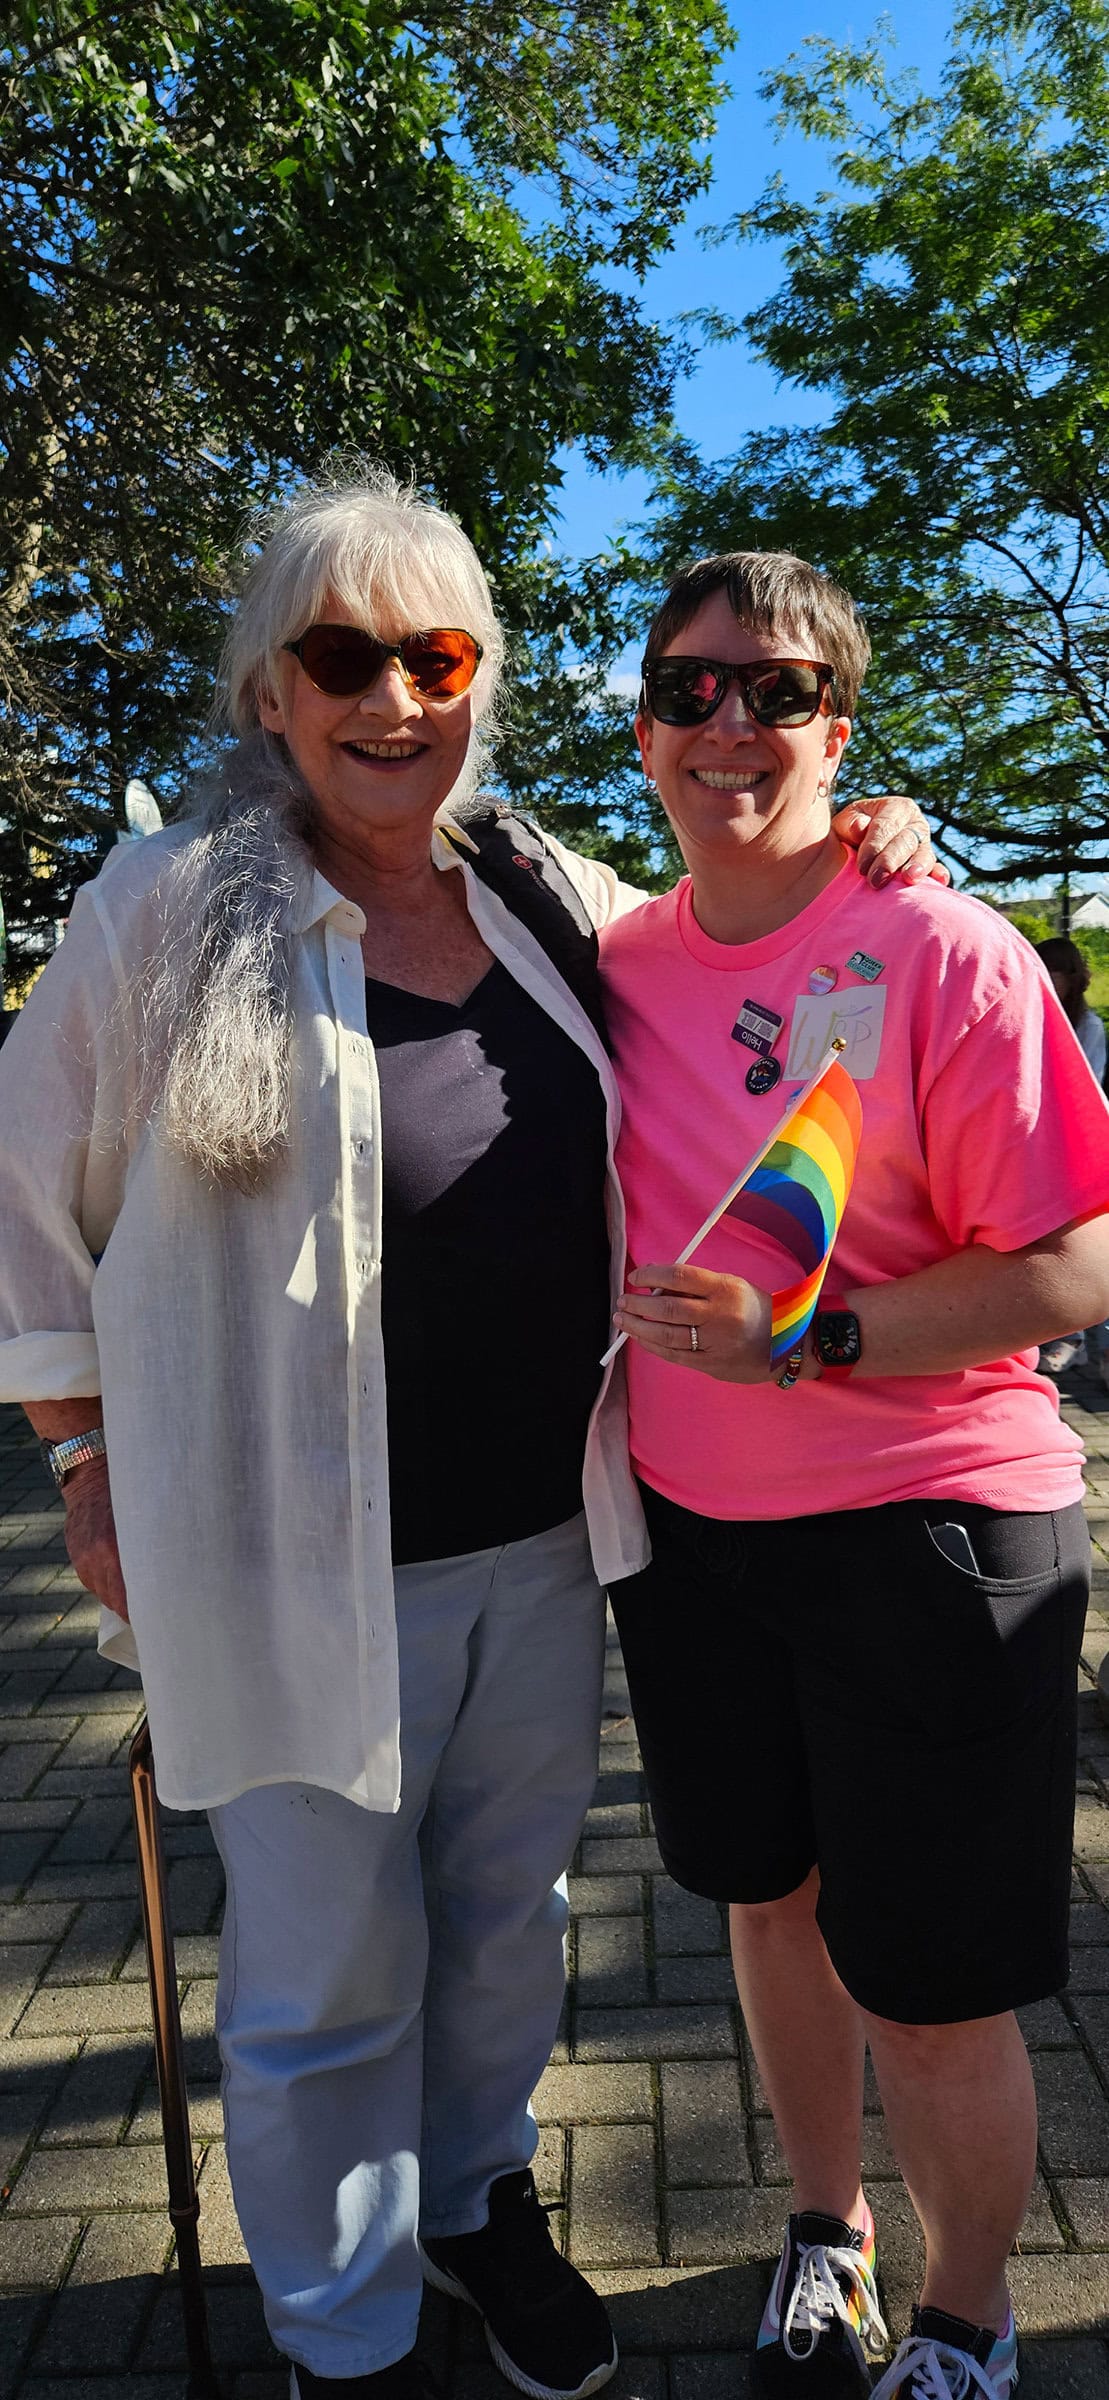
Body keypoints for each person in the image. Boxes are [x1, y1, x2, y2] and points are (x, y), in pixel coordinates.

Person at [0, 472, 935, 2400]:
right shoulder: (165, 908)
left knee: (507, 1919)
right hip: (277, 1550)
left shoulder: (530, 883)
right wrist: (83, 1464)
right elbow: (23, 1196)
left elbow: (726, 941)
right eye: (341, 656)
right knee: (328, 1966)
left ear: (481, 676)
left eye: (436, 656)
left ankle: (473, 2201)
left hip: (543, 1533)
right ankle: (340, 2329)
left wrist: (865, 857)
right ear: (272, 689)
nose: (391, 699)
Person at [600, 550, 1109, 2400]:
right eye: (690, 688)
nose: (728, 724)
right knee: (766, 1904)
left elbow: (1072, 1266)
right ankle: (826, 2232)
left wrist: (813, 1343)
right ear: (637, 717)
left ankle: (971, 2312)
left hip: (927, 1533)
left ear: (838, 720)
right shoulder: (612, 954)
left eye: (779, 691)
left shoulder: (943, 949)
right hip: (690, 1537)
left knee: (929, 1972)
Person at [1034, 936, 1109, 1378]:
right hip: (1036, 1136)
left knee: (1083, 1243)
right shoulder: (1029, 1008)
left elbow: (1089, 1083)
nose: (1053, 981)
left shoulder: (1088, 1025)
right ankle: (1071, 1337)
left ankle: (1085, 1340)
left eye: (1059, 974)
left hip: (1075, 1136)